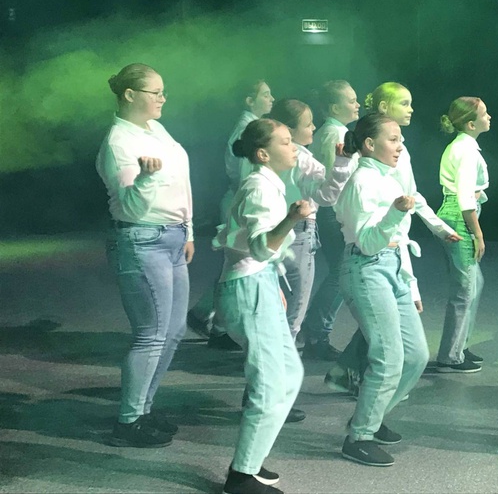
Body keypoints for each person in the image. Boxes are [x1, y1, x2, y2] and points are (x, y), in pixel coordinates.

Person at [323, 82, 459, 396]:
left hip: (389, 249)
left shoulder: (393, 153)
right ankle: (364, 389)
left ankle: (353, 377)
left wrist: (437, 227)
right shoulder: (370, 162)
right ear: (384, 108)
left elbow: (409, 198)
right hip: (373, 248)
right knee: (385, 332)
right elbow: (380, 217)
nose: (411, 109)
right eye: (404, 103)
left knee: (393, 331)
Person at [97, 63, 194, 448]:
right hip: (141, 240)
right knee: (151, 334)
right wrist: (147, 179)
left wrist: (188, 229)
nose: (163, 98)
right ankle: (128, 421)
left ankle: (143, 409)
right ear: (130, 95)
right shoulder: (119, 142)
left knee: (173, 331)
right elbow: (131, 208)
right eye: (156, 92)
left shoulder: (155, 130)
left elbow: (182, 181)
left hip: (171, 237)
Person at [213, 118, 309, 494]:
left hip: (259, 284)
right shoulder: (259, 187)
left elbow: (261, 253)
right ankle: (240, 477)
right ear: (263, 153)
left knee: (290, 374)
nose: (294, 147)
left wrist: (274, 283)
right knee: (270, 383)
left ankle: (251, 460)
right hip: (248, 288)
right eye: (285, 142)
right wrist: (292, 219)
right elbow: (259, 246)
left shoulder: (269, 184)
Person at [334, 114, 429, 467]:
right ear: (370, 144)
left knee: (416, 356)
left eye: (400, 138)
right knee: (388, 358)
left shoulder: (388, 177)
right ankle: (359, 437)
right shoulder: (361, 182)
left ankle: (369, 419)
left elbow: (395, 241)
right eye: (393, 139)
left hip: (392, 268)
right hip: (366, 269)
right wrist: (394, 214)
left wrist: (411, 284)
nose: (400, 145)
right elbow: (369, 243)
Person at [187, 80, 274, 350]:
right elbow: (249, 176)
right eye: (266, 94)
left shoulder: (251, 126)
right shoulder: (249, 130)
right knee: (239, 267)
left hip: (240, 202)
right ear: (249, 100)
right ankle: (220, 327)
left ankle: (208, 316)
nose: (272, 99)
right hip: (242, 203)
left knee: (236, 267)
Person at [268, 98, 353, 342]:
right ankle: (284, 353)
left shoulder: (268, 155)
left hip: (274, 228)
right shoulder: (302, 160)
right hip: (299, 230)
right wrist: (342, 164)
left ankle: (270, 349)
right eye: (308, 124)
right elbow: (326, 196)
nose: (314, 127)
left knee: (273, 295)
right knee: (296, 303)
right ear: (289, 129)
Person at [301, 80, 360, 360]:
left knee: (340, 274)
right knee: (340, 275)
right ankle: (316, 332)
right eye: (351, 100)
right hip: (334, 212)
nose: (357, 104)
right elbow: (333, 180)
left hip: (335, 211)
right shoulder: (335, 133)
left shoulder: (334, 131)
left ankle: (315, 330)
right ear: (335, 108)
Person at [434, 97, 491, 373]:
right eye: (484, 114)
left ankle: (458, 346)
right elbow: (465, 198)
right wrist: (478, 234)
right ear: (470, 123)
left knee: (473, 283)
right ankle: (450, 356)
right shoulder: (466, 151)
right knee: (465, 288)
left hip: (455, 213)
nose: (489, 117)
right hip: (459, 217)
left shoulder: (461, 147)